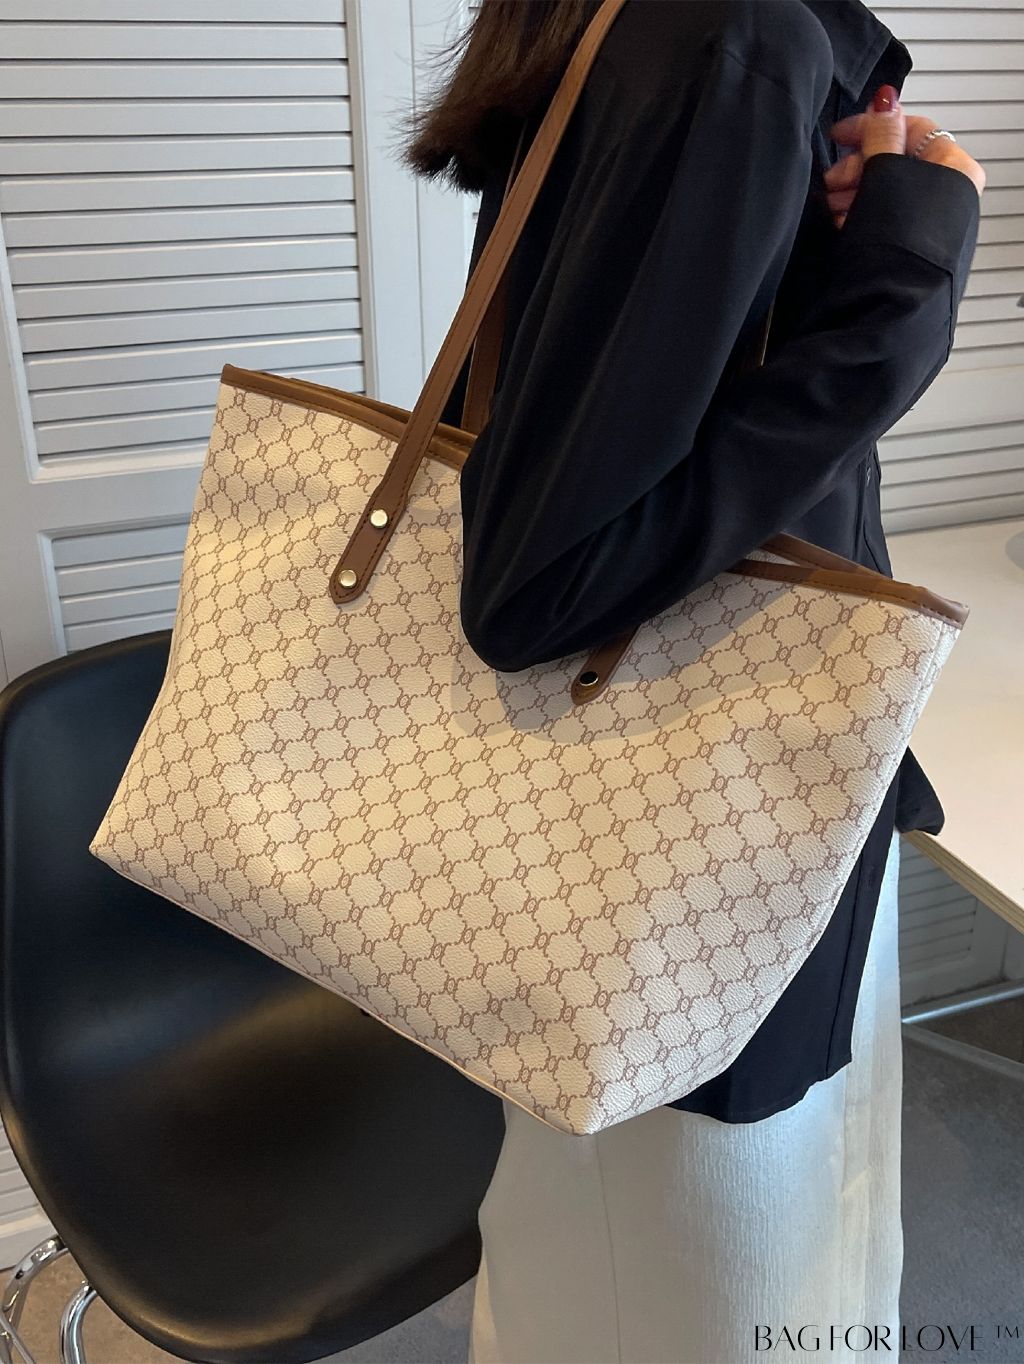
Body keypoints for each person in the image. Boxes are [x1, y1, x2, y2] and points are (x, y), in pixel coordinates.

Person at [404, 2, 985, 1360]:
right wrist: (909, 277)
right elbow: (543, 581)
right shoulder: (732, 36)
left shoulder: (691, 31)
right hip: (697, 868)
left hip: (678, 832)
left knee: (617, 1281)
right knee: (717, 1291)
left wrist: (843, 248)